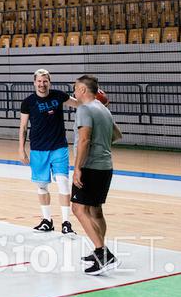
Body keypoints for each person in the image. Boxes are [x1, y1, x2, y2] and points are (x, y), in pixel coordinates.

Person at [70, 75, 122, 275]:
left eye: (76, 88)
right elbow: (117, 135)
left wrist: (77, 168)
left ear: (83, 90)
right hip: (105, 166)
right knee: (95, 211)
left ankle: (103, 253)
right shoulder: (104, 109)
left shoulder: (84, 109)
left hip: (90, 167)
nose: (74, 92)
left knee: (78, 209)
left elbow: (84, 140)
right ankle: (99, 248)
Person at [19, 68, 78, 234]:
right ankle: (47, 220)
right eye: (39, 81)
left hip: (59, 147)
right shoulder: (28, 102)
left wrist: (95, 103)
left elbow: (78, 104)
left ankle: (66, 223)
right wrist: (21, 149)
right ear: (34, 83)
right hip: (38, 149)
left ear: (49, 82)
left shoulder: (59, 96)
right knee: (42, 186)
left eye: (45, 81)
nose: (42, 84)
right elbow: (23, 127)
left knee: (63, 183)